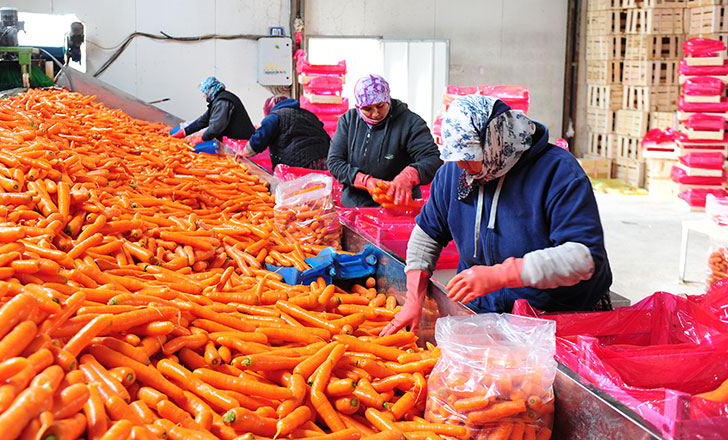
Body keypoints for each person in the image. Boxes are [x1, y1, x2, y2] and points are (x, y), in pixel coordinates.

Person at [380, 95, 613, 335]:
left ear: (496, 143)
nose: (460, 165)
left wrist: (500, 275)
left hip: (555, 318)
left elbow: (582, 258)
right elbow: (428, 233)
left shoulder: (557, 173)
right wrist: (413, 298)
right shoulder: (455, 173)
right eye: (455, 157)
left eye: (468, 157)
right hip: (484, 312)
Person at [327, 74, 443, 207]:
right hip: (356, 207)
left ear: (388, 99)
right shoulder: (349, 121)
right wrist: (364, 181)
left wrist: (409, 176)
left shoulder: (410, 123)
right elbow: (334, 161)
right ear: (358, 106)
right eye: (367, 109)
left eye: (380, 106)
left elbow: (433, 159)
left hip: (399, 206)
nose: (375, 113)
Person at [238, 95, 330, 170]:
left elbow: (261, 136)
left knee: (301, 191)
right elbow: (325, 135)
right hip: (324, 160)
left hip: (299, 164)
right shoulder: (308, 114)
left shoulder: (275, 116)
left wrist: (245, 152)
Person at [171, 76, 255, 143]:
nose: (203, 95)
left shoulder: (222, 102)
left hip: (241, 142)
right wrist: (185, 131)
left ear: (210, 90)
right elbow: (204, 120)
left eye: (204, 92)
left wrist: (201, 139)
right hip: (235, 140)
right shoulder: (218, 100)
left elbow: (215, 127)